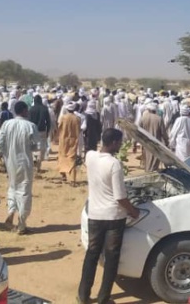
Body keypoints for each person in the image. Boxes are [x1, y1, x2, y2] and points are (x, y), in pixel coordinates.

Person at [78, 129, 140, 304]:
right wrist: (133, 211)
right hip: (113, 217)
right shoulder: (114, 164)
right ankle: (103, 298)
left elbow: (89, 158)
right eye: (119, 142)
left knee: (92, 254)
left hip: (95, 215)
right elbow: (120, 197)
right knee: (111, 258)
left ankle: (83, 295)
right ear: (113, 142)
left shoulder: (90, 156)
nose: (121, 145)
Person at [0, 101, 38, 234]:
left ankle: (11, 211)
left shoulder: (6, 124)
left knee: (13, 187)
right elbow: (34, 145)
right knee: (24, 191)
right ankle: (21, 224)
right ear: (25, 111)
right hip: (25, 162)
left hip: (10, 162)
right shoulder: (30, 126)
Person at [139, 102, 168, 172]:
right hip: (156, 143)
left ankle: (147, 173)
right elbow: (163, 133)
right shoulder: (159, 119)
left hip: (146, 143)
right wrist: (166, 141)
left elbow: (138, 131)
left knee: (147, 161)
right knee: (154, 162)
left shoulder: (143, 118)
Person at [57, 102, 82, 182]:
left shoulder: (63, 118)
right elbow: (79, 129)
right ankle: (73, 179)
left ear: (67, 109)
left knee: (62, 157)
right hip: (73, 140)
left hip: (63, 140)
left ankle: (63, 175)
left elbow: (59, 127)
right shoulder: (77, 118)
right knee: (72, 159)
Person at [28, 95, 52, 171]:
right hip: (42, 130)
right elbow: (48, 121)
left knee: (32, 146)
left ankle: (34, 159)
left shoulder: (31, 109)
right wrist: (48, 131)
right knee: (42, 148)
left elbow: (28, 121)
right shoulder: (45, 109)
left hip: (32, 130)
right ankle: (38, 164)